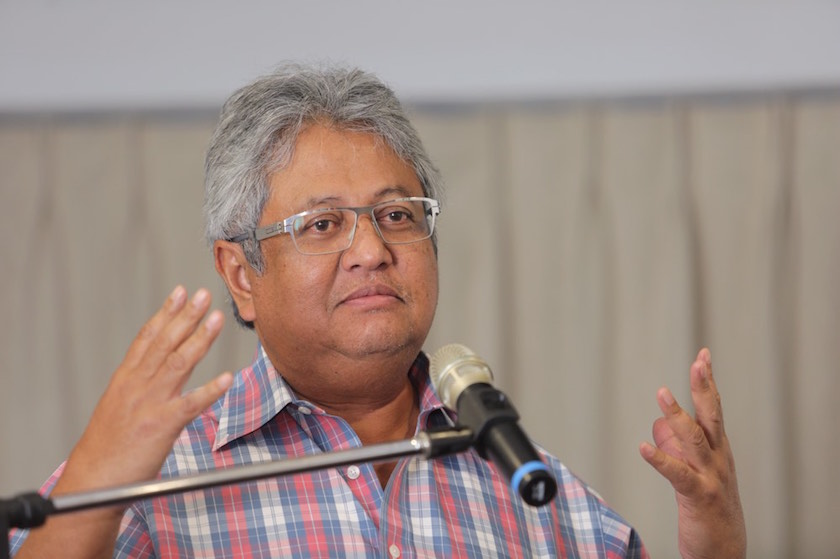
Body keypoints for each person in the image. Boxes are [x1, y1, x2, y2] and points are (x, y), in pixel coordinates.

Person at [10, 63, 745, 558]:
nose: (371, 250)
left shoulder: (530, 482)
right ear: (240, 273)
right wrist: (92, 485)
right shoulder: (157, 476)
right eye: (323, 224)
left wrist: (714, 536)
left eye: (397, 215)